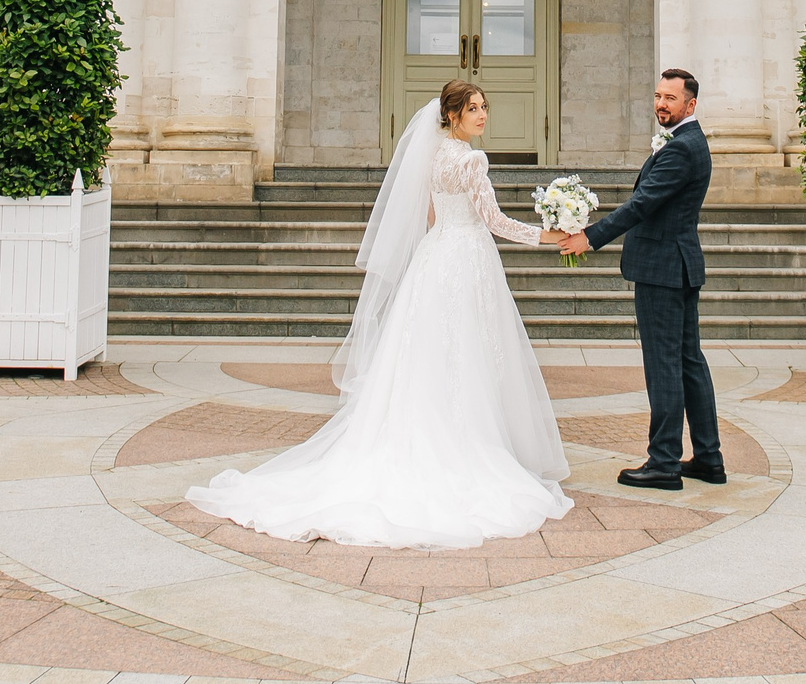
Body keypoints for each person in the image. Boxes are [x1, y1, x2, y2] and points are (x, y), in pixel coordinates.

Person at [185, 80, 572, 547]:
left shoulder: (433, 157)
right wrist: (551, 235)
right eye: (473, 109)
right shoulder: (472, 160)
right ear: (451, 116)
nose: (482, 115)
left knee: (428, 356)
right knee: (465, 354)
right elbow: (496, 223)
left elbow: (431, 217)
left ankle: (427, 436)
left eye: (485, 107)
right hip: (466, 260)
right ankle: (464, 444)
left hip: (435, 261)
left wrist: (448, 242)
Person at [559, 68, 721, 491]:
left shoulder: (682, 148)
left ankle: (664, 462)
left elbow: (642, 204)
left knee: (665, 365)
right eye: (657, 95)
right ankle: (708, 458)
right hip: (677, 264)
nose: (661, 104)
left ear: (691, 105)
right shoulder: (685, 141)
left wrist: (589, 238)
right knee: (688, 363)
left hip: (664, 268)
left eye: (670, 98)